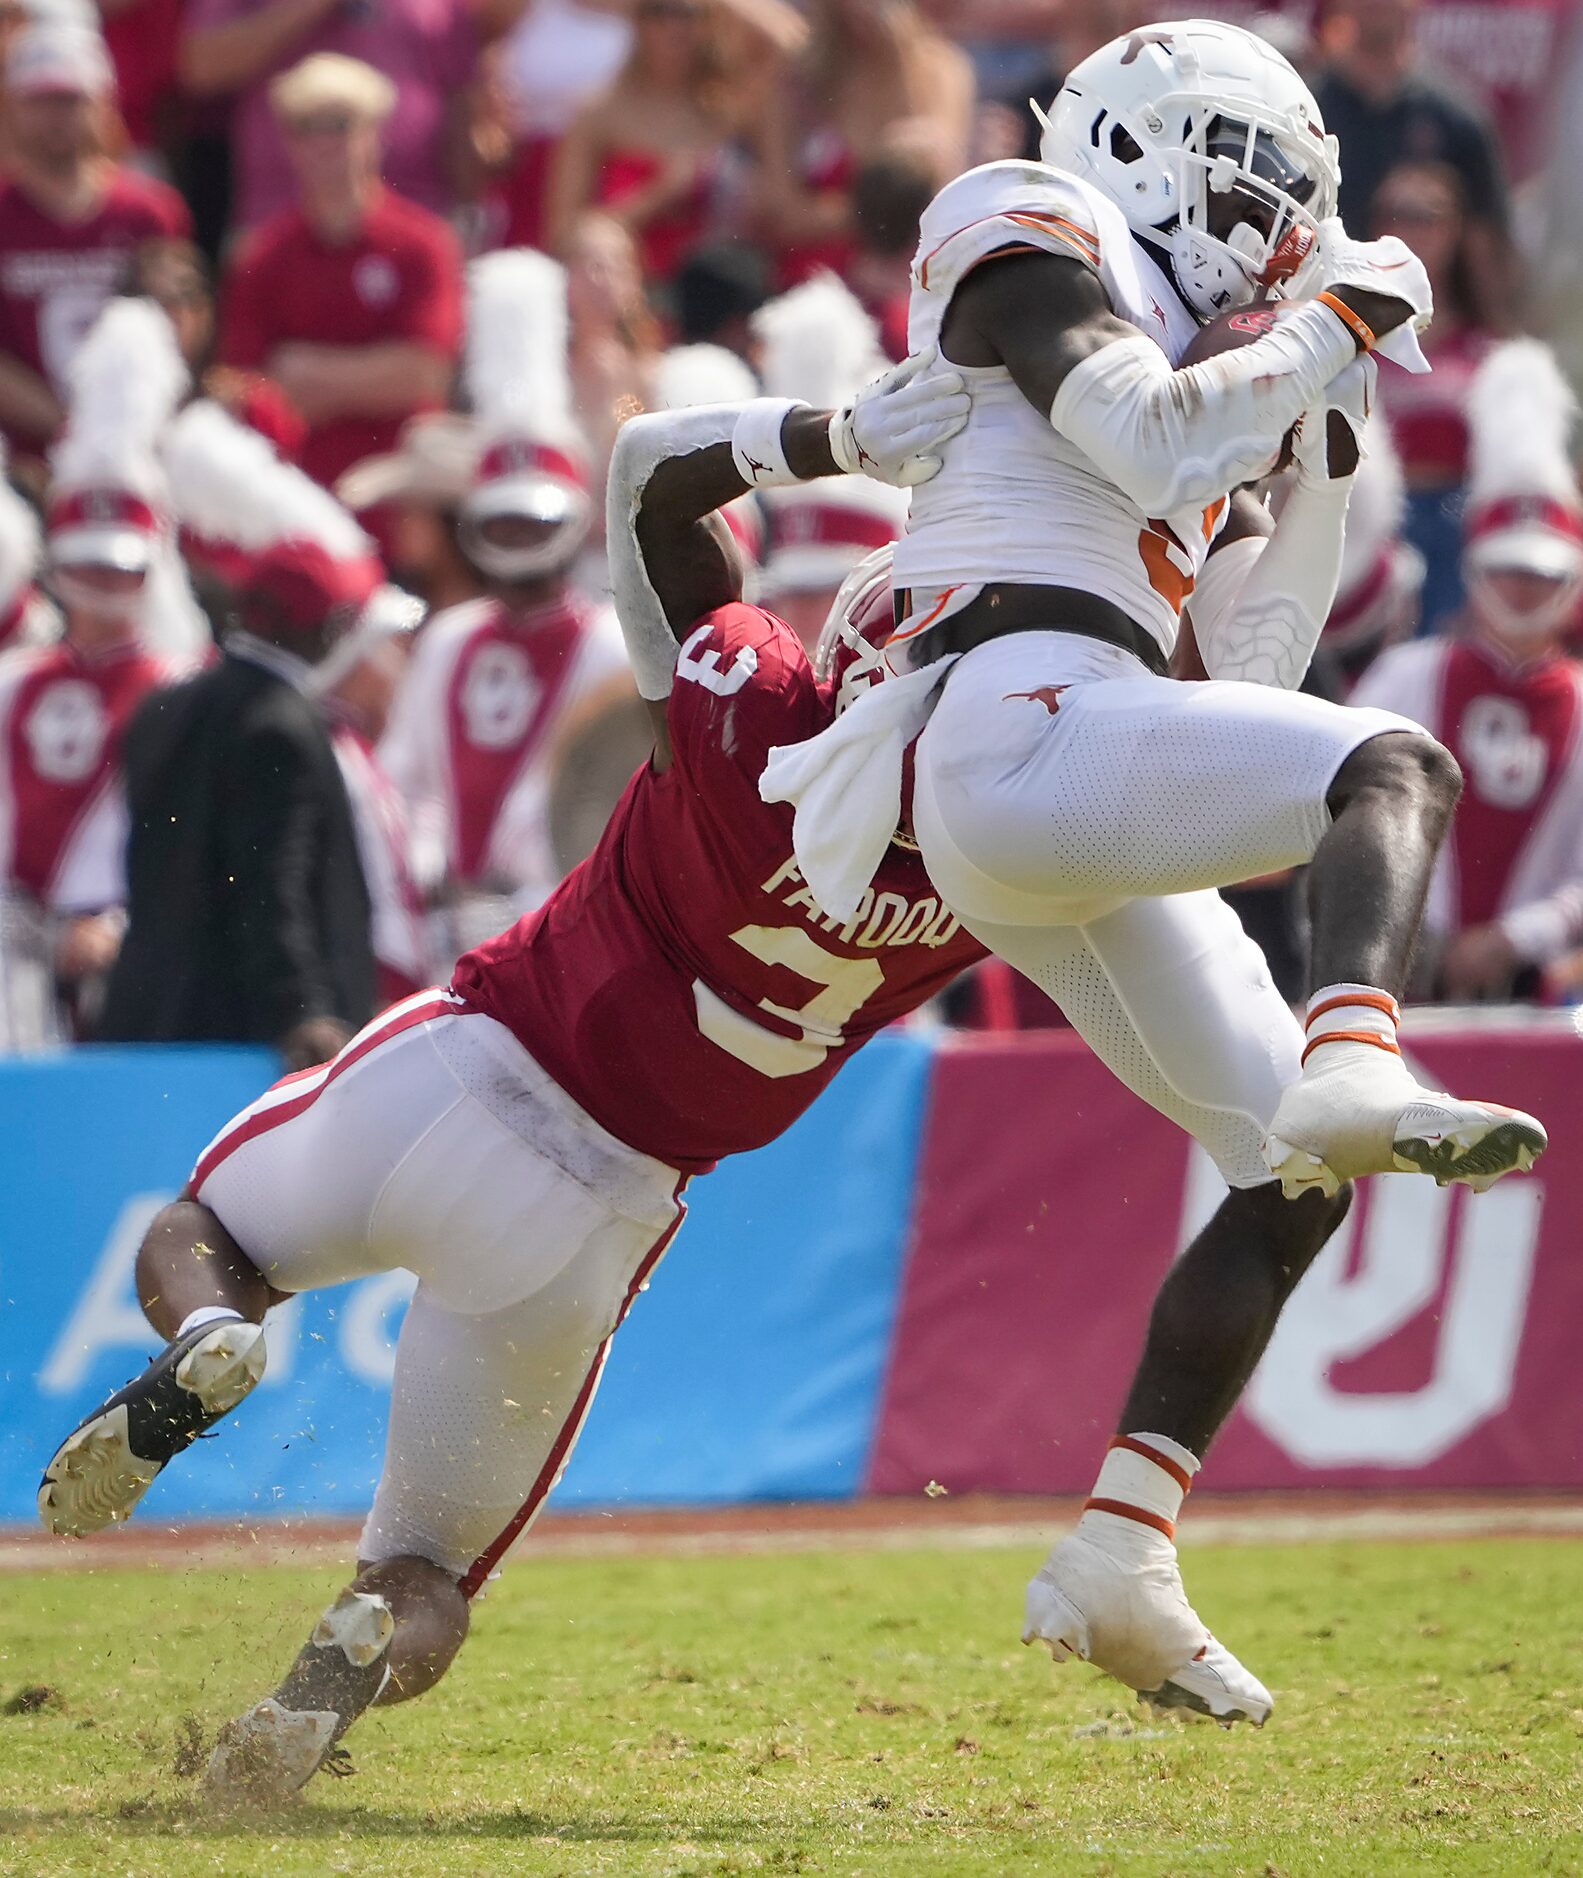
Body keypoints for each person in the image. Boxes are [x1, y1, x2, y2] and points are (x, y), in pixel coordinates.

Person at [36, 360, 979, 1802]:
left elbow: (652, 480)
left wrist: (833, 432)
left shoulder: (741, 723)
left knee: (206, 1234)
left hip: (470, 1068)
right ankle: (336, 1661)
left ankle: (217, 1338)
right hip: (595, 1218)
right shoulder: (989, 869)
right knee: (431, 1574)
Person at [757, 19, 1547, 1725]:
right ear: (1152, 138)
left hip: (1062, 760)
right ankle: (1359, 1040)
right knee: (1392, 766)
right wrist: (1332, 325)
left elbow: (1251, 663)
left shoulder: (1203, 345)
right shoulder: (1023, 212)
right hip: (1004, 712)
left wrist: (1324, 453)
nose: (1274, 228)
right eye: (1259, 182)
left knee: (1294, 1168)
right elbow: (1157, 436)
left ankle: (1124, 1546)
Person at [96, 399, 381, 1065]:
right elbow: (271, 883)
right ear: (315, 626)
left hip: (147, 1020)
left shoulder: (162, 705)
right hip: (246, 1042)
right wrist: (304, 1010)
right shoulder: (278, 724)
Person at [378, 250, 632, 966]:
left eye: (533, 523)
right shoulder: (448, 639)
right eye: (504, 524)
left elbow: (611, 799)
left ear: (574, 520)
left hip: (560, 928)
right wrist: (428, 866)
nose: (519, 542)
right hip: (447, 931)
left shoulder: (612, 644)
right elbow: (405, 774)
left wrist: (536, 892)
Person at [1353, 341, 1583, 1005]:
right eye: (1507, 569)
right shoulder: (1406, 674)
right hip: (1397, 969)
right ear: (1475, 566)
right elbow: (1345, 802)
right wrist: (1417, 928)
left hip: (1538, 991)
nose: (1521, 589)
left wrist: (1512, 938)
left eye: (1541, 575)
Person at [0, 297, 193, 1047]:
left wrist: (117, 918)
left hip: (123, 952)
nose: (105, 590)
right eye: (89, 566)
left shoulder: (180, 684)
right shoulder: (14, 678)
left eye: (120, 569)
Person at [216, 54, 465, 520]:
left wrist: (304, 373)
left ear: (376, 133)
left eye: (341, 123)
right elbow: (243, 388)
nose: (325, 141)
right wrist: (372, 376)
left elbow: (425, 375)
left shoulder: (424, 244)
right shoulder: (260, 257)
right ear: (288, 142)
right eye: (307, 126)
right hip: (294, 501)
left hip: (406, 506)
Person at [0, 21, 190, 470]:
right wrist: (69, 424)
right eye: (40, 100)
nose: (56, 116)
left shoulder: (150, 212)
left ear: (103, 103)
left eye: (70, 100)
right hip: (19, 464)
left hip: (131, 458)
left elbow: (180, 330)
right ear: (12, 107)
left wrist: (113, 427)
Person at [544, 0, 794, 287]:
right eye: (659, 11)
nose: (674, 27)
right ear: (636, 21)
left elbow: (790, 44)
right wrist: (655, 196)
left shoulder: (733, 107)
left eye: (690, 13)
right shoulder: (599, 113)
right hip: (634, 296)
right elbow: (563, 235)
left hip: (722, 295)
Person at [177, 0, 479, 231]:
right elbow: (201, 67)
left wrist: (469, 198)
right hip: (280, 224)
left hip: (420, 219)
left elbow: (460, 94)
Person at [1312, 0, 1515, 327]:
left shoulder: (1456, 119)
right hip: (1318, 322)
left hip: (1426, 336)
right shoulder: (1307, 109)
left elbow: (1486, 248)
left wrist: (1496, 340)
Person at [1367, 160, 1504, 635]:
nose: (1412, 230)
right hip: (1366, 527)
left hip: (1453, 530)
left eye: (1429, 215)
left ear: (1456, 229)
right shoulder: (1345, 332)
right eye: (1396, 213)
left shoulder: (1485, 349)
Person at [760, 0, 972, 287]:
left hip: (906, 279)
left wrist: (899, 64)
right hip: (812, 282)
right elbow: (785, 215)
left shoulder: (940, 69)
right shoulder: (800, 79)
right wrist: (876, 212)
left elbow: (935, 184)